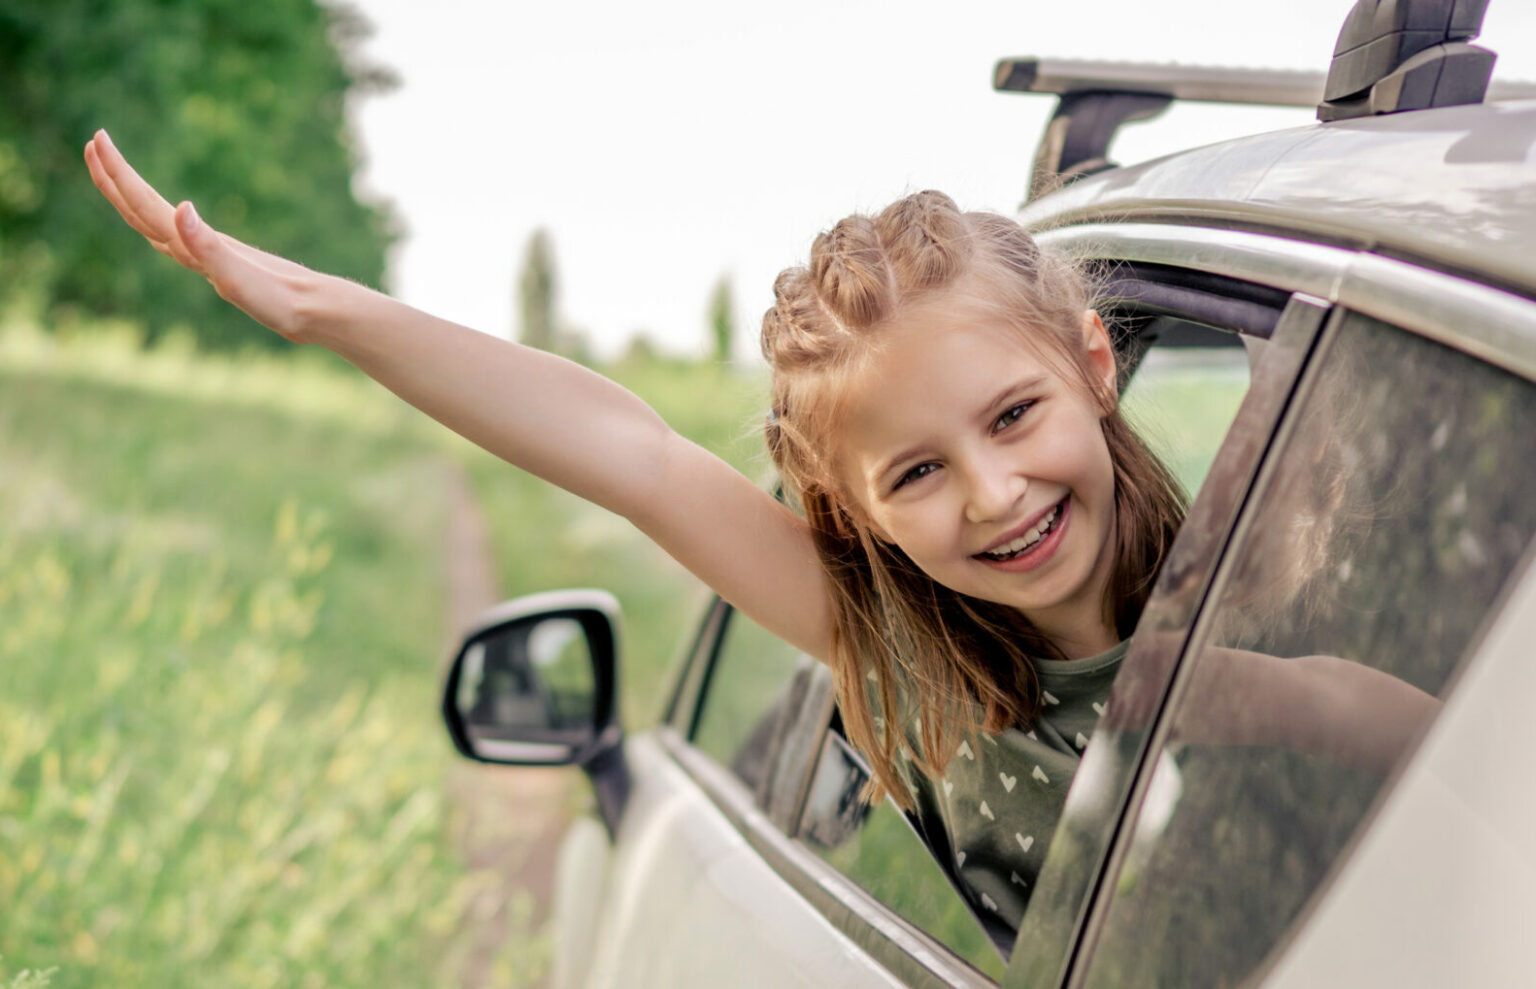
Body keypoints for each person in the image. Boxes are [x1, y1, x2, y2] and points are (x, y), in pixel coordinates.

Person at [82, 129, 1434, 942]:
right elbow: (632, 453)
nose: (991, 494)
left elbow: (1455, 768)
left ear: (1093, 362)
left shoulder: (1291, 594)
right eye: (916, 470)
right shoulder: (900, 658)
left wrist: (1270, 700)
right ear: (851, 515)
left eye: (1014, 414)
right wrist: (326, 310)